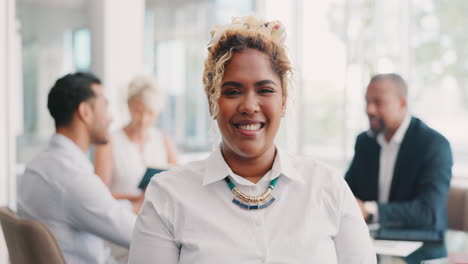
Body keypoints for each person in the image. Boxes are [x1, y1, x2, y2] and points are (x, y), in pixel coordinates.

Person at [128, 16, 376, 264]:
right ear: (212, 101)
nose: (249, 106)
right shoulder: (168, 196)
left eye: (265, 90)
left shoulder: (327, 188)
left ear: (284, 100)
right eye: (233, 91)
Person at [17, 72, 140, 264]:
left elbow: (98, 206)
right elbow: (139, 235)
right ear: (85, 112)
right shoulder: (73, 178)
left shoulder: (39, 165)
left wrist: (135, 206)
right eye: (105, 107)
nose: (111, 118)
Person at [345, 73, 453, 260]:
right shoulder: (365, 142)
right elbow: (346, 192)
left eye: (378, 102)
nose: (370, 109)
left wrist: (370, 210)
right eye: (367, 101)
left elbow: (428, 212)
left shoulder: (433, 145)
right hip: (371, 247)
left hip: (421, 252)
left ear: (402, 104)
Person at [94, 75, 177, 199]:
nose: (143, 120)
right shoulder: (110, 141)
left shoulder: (163, 139)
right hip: (122, 214)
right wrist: (137, 198)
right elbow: (98, 195)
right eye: (138, 111)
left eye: (150, 113)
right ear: (129, 105)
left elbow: (177, 182)